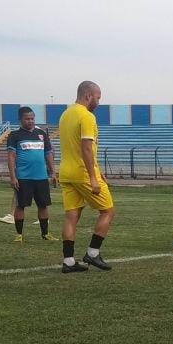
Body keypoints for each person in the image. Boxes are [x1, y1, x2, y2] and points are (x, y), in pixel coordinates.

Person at [57, 81, 114, 273]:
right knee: (107, 211)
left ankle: (68, 262)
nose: (98, 101)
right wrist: (93, 177)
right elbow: (86, 148)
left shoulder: (66, 114)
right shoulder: (87, 116)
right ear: (88, 95)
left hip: (66, 172)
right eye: (98, 97)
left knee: (71, 216)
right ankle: (93, 253)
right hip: (82, 172)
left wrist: (97, 169)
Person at [6, 106, 57, 242]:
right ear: (20, 119)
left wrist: (53, 172)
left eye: (32, 118)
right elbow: (11, 156)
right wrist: (13, 177)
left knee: (43, 205)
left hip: (41, 177)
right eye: (27, 119)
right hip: (23, 177)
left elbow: (48, 154)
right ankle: (19, 235)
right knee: (20, 206)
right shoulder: (14, 135)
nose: (30, 121)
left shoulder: (41, 134)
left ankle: (45, 234)